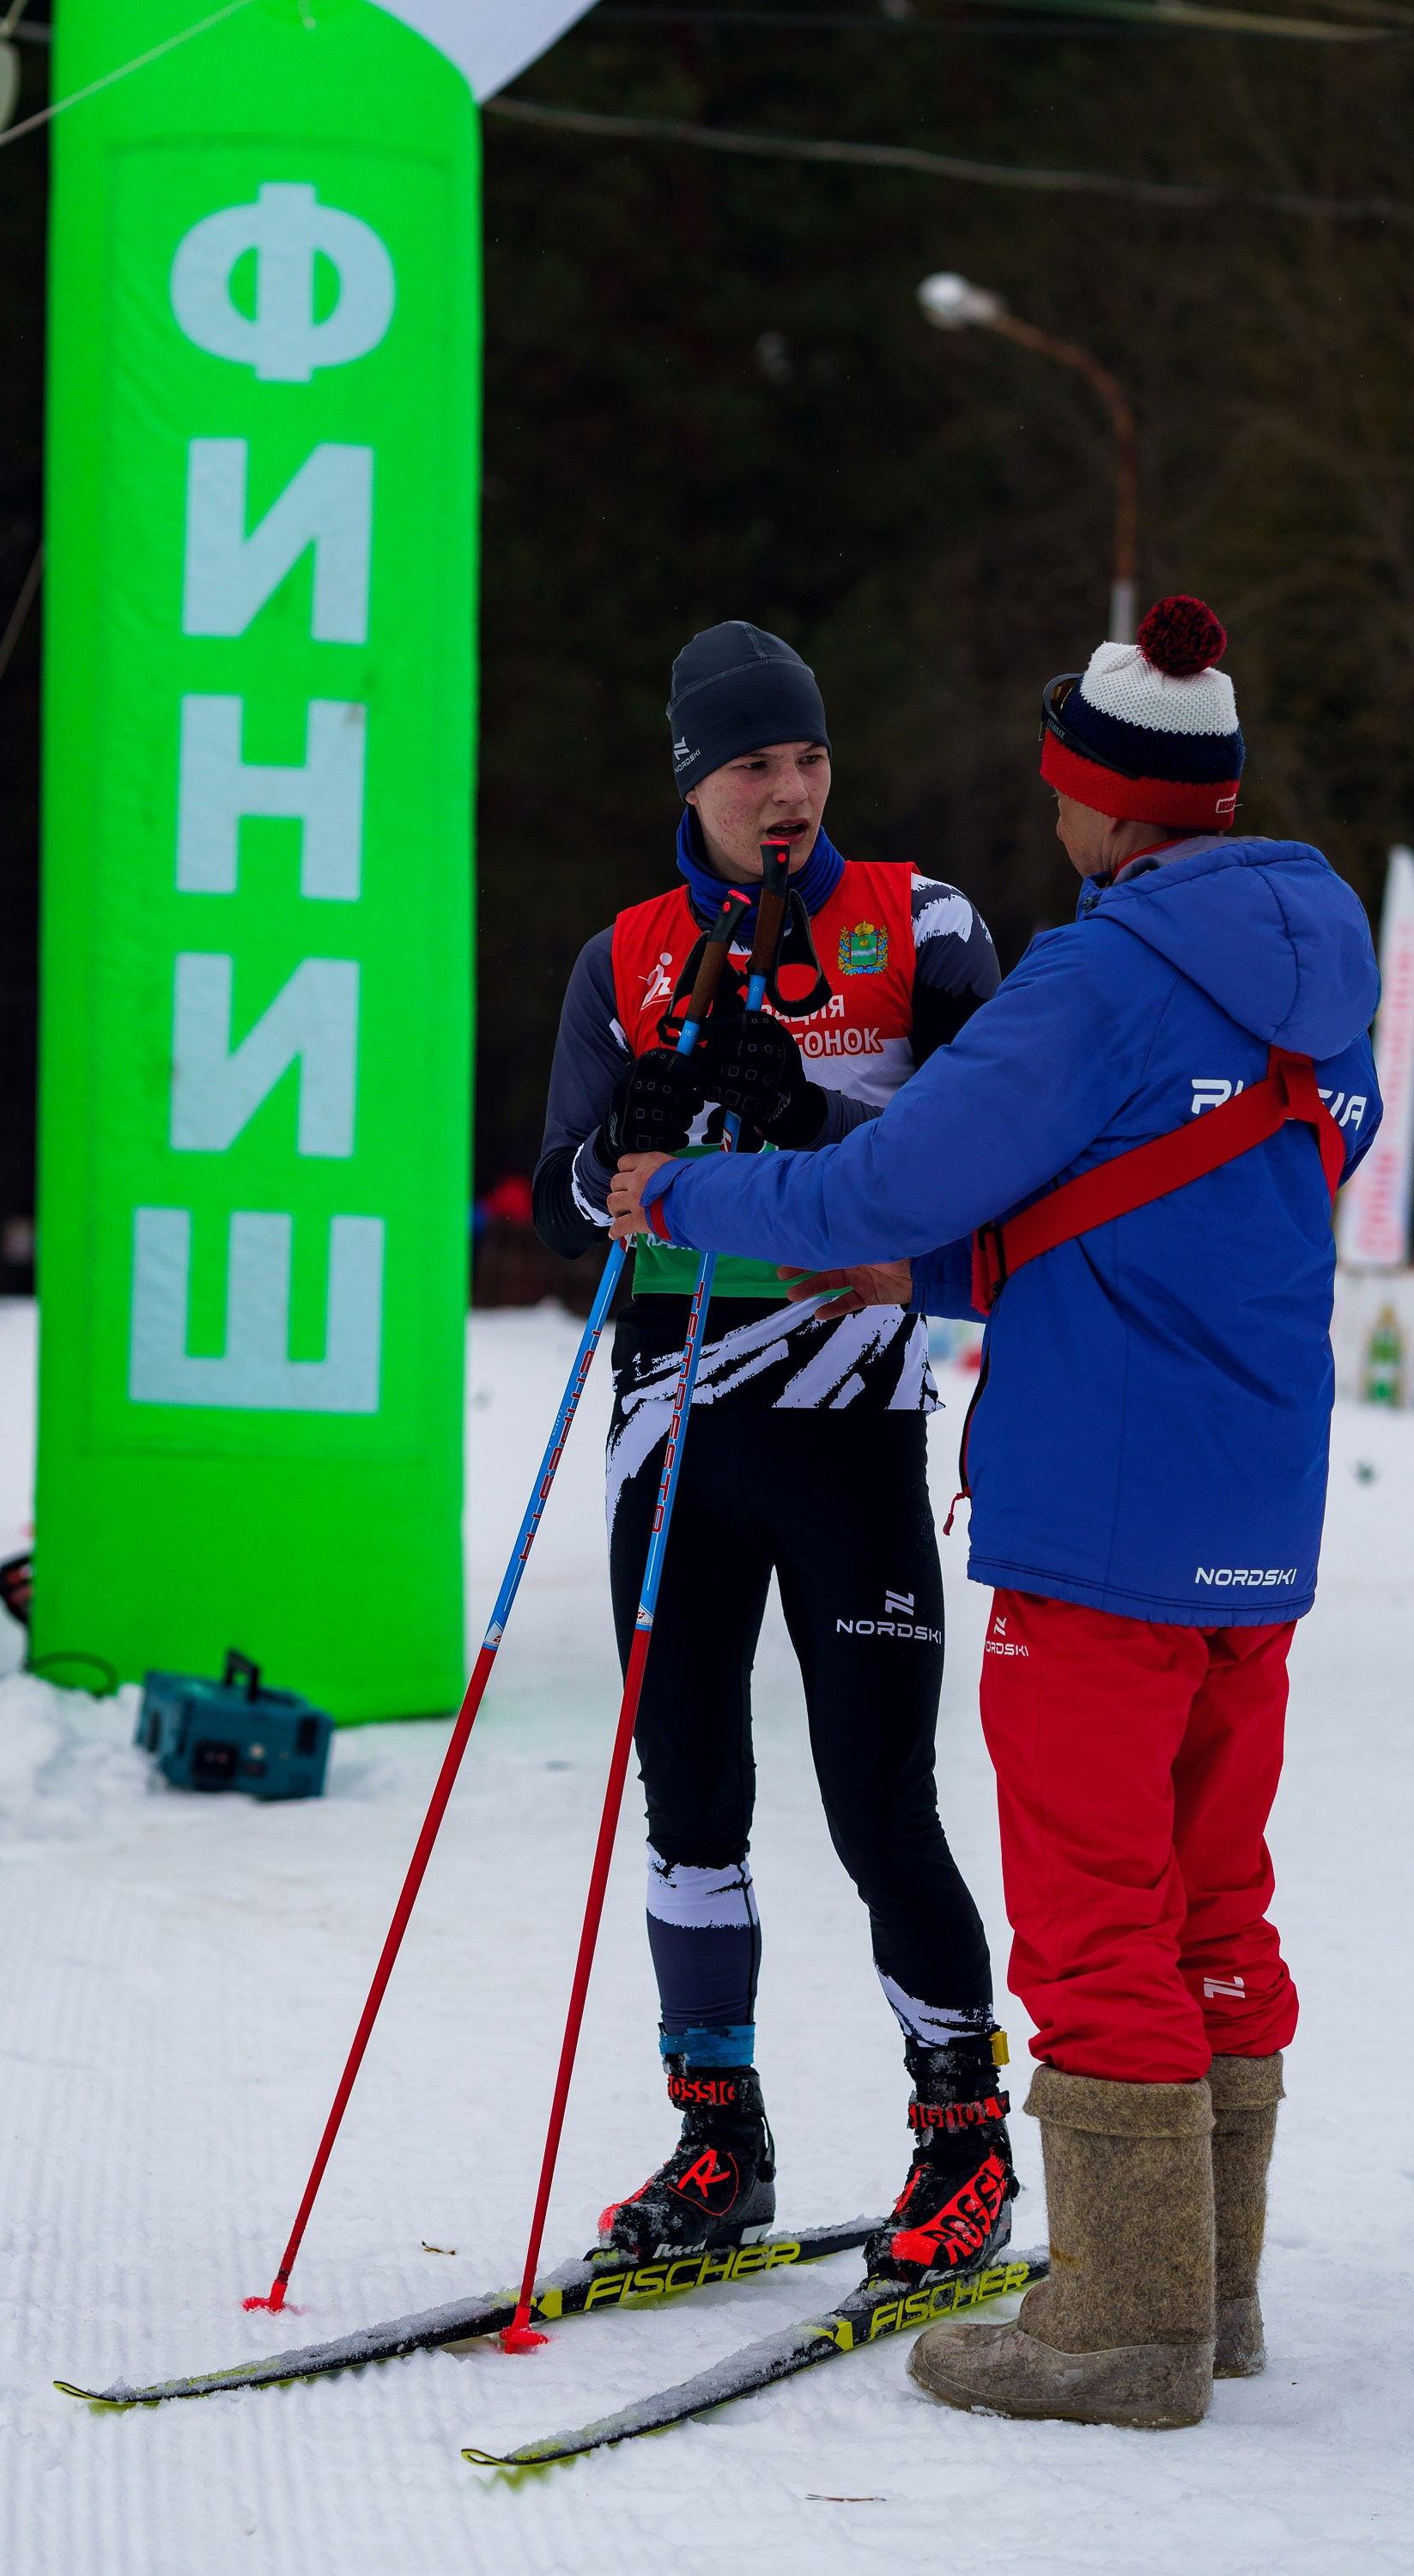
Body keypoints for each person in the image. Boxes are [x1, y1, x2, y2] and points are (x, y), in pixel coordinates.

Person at [607, 596, 1381, 2427]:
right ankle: (1213, 2293)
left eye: (1060, 800)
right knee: (1218, 1902)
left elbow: (886, 1168)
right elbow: (1170, 1206)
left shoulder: (1097, 974)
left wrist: (688, 1201)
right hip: (1256, 1514)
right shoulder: (1323, 946)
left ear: (1103, 805)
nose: (1051, 829)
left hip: (1094, 1523)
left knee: (1095, 1913)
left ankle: (1120, 2329)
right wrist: (937, 1272)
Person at [534, 617, 1017, 2289]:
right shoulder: (627, 952)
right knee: (689, 1804)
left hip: (848, 1426)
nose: (790, 789)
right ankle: (715, 2134)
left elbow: (997, 1158)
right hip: (671, 1431)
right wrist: (635, 1125)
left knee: (880, 1802)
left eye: (808, 756)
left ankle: (962, 2138)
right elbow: (551, 1195)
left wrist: (809, 1115)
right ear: (697, 779)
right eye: (756, 763)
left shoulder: (922, 924)